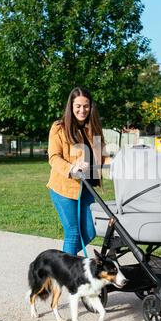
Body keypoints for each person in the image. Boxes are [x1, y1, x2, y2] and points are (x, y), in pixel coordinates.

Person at [46, 87, 109, 256]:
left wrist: (119, 163)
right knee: (73, 234)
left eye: (86, 106)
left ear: (91, 107)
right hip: (64, 189)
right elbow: (54, 157)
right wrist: (72, 168)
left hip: (86, 189)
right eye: (78, 106)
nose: (82, 110)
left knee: (90, 231)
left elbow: (102, 158)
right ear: (71, 106)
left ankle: (61, 262)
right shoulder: (59, 128)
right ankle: (66, 275)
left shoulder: (94, 128)